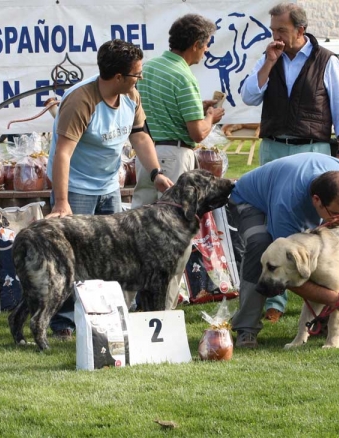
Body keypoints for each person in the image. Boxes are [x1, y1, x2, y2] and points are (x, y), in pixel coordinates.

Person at [44, 39, 174, 339]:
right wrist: (62, 202)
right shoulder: (80, 100)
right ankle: (64, 323)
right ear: (118, 77)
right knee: (70, 256)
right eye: (136, 74)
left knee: (116, 252)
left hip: (107, 185)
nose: (139, 78)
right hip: (75, 186)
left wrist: (155, 173)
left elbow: (140, 136)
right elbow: (62, 153)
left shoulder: (131, 96)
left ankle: (107, 314)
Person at [240, 2, 339, 322]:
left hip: (315, 149)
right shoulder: (269, 57)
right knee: (274, 229)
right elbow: (249, 96)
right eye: (273, 30)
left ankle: (324, 297)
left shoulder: (326, 60)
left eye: (282, 30)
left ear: (300, 31)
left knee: (316, 230)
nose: (275, 36)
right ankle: (274, 302)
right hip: (274, 150)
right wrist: (268, 62)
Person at [229, 153, 339, 348]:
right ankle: (246, 328)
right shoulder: (287, 206)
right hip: (249, 200)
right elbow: (294, 271)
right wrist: (338, 300)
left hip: (300, 189)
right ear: (316, 201)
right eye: (335, 213)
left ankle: (326, 320)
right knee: (261, 246)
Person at [132, 14, 225, 310]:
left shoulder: (151, 68)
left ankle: (134, 306)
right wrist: (210, 116)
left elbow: (158, 111)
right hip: (175, 157)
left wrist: (198, 108)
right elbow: (196, 132)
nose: (207, 51)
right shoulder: (184, 75)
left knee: (136, 235)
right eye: (206, 45)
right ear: (196, 44)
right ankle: (164, 311)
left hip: (145, 155)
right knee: (173, 242)